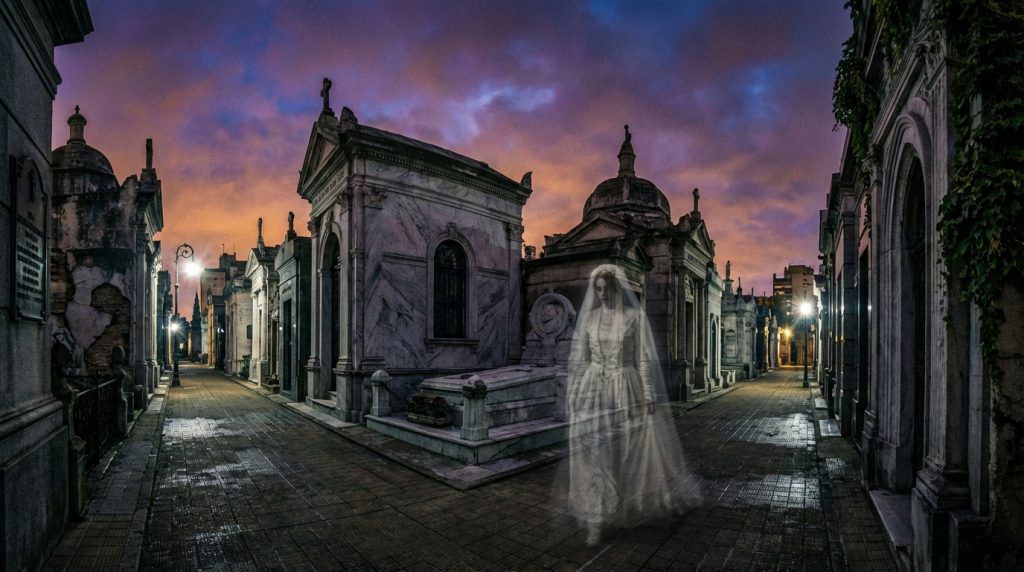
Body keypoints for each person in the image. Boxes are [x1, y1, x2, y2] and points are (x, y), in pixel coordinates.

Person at [566, 263, 699, 545]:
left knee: (626, 449)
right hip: (594, 387)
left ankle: (626, 503)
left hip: (626, 387)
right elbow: (581, 361)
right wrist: (575, 392)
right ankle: (596, 516)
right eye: (598, 289)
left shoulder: (633, 318)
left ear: (617, 289)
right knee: (594, 449)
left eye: (607, 288)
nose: (602, 294)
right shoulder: (589, 319)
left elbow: (642, 360)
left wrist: (648, 395)